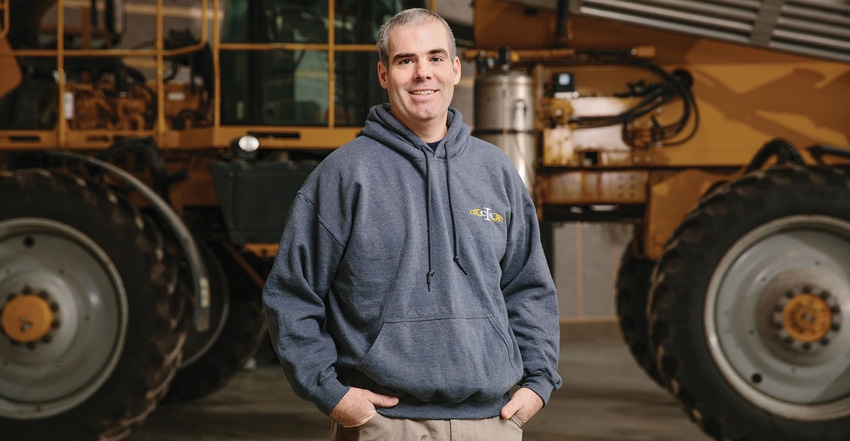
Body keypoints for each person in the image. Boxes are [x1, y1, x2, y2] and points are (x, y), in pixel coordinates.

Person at [262, 8, 562, 440]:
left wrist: (537, 383)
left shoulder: (494, 171)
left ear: (456, 69)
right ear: (384, 75)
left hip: (493, 423)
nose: (423, 73)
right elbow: (290, 296)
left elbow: (528, 287)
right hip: (385, 424)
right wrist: (332, 394)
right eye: (406, 61)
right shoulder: (344, 175)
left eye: (436, 58)